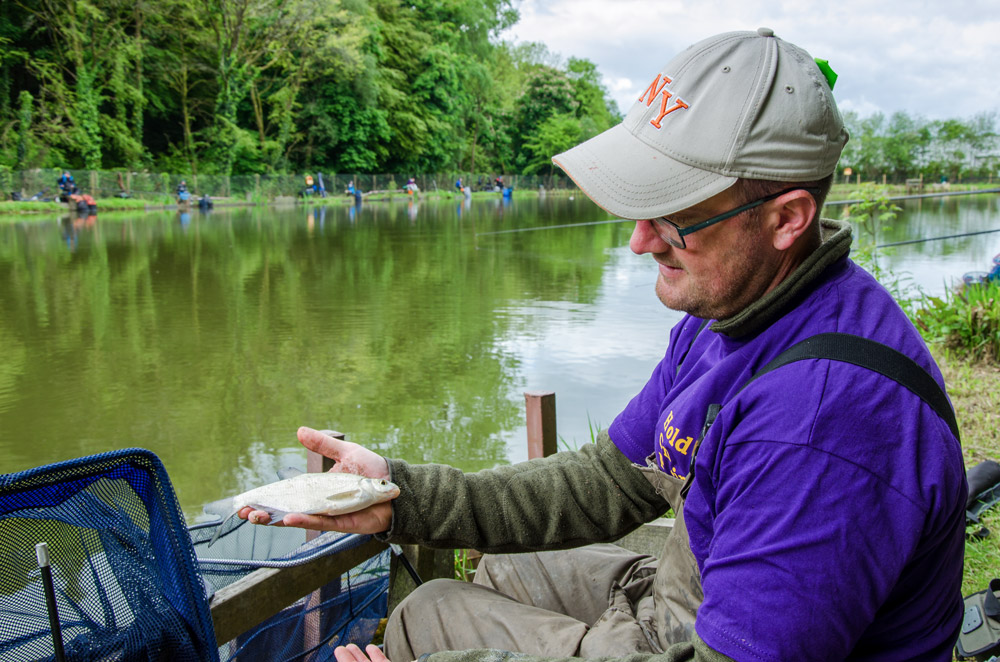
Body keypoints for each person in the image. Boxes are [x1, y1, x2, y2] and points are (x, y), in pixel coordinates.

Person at [243, 28, 967, 662]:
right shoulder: (736, 310)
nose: (638, 241)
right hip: (688, 597)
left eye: (674, 218)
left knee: (430, 615)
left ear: (787, 219)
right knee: (499, 569)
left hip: (710, 641)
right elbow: (609, 479)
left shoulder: (819, 426)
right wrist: (398, 495)